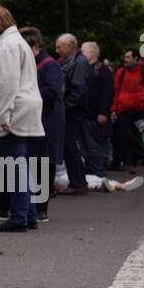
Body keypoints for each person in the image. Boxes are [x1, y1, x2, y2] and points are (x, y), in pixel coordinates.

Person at [0, 5, 45, 232]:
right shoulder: (14, 43)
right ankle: (29, 214)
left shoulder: (6, 47)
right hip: (22, 110)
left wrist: (5, 114)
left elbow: (7, 84)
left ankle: (19, 217)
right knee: (20, 164)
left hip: (11, 114)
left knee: (14, 165)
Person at [21, 27, 63, 221]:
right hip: (35, 119)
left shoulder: (49, 65)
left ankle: (41, 208)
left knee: (44, 164)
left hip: (47, 120)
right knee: (33, 163)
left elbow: (53, 91)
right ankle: (33, 205)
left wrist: (27, 98)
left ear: (34, 46)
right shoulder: (31, 63)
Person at [55, 33, 92, 193]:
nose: (57, 50)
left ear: (70, 46)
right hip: (72, 110)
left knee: (70, 146)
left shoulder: (79, 62)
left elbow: (79, 89)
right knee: (69, 146)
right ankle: (77, 182)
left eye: (60, 47)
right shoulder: (74, 61)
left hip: (73, 112)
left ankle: (78, 183)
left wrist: (66, 106)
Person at [111, 49, 144, 172]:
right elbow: (116, 92)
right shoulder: (121, 73)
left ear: (136, 59)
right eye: (125, 57)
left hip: (140, 111)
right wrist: (114, 108)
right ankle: (142, 156)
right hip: (124, 110)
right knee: (125, 135)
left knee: (138, 136)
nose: (125, 60)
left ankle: (134, 163)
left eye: (128, 57)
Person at [81, 41, 115, 176]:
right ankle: (91, 171)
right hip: (86, 113)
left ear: (92, 52)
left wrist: (103, 112)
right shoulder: (86, 69)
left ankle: (97, 172)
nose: (81, 54)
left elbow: (108, 93)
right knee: (86, 146)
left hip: (95, 114)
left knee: (94, 144)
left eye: (83, 51)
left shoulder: (102, 70)